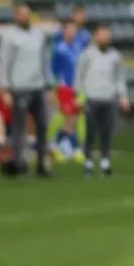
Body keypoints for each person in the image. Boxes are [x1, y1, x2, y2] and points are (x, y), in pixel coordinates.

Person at [0, 3, 51, 176]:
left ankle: (42, 162)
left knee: (42, 125)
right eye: (21, 14)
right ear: (16, 17)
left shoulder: (39, 35)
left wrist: (48, 83)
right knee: (19, 127)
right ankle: (19, 161)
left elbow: (44, 60)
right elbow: (4, 62)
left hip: (38, 86)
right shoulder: (9, 37)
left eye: (27, 14)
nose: (24, 17)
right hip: (20, 87)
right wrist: (5, 88)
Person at [76, 24, 128, 178]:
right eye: (102, 35)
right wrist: (79, 97)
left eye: (107, 36)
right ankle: (88, 163)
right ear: (96, 37)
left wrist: (123, 95)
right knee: (90, 132)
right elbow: (79, 76)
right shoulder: (87, 55)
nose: (105, 38)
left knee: (107, 132)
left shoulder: (115, 56)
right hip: (92, 97)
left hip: (109, 97)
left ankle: (105, 162)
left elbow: (119, 77)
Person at [49, 20, 85, 162]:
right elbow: (54, 70)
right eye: (69, 29)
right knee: (68, 117)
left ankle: (61, 144)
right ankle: (66, 146)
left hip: (77, 87)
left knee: (74, 118)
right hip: (64, 87)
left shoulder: (78, 47)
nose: (71, 32)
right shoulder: (59, 49)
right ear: (64, 31)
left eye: (73, 29)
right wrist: (54, 89)